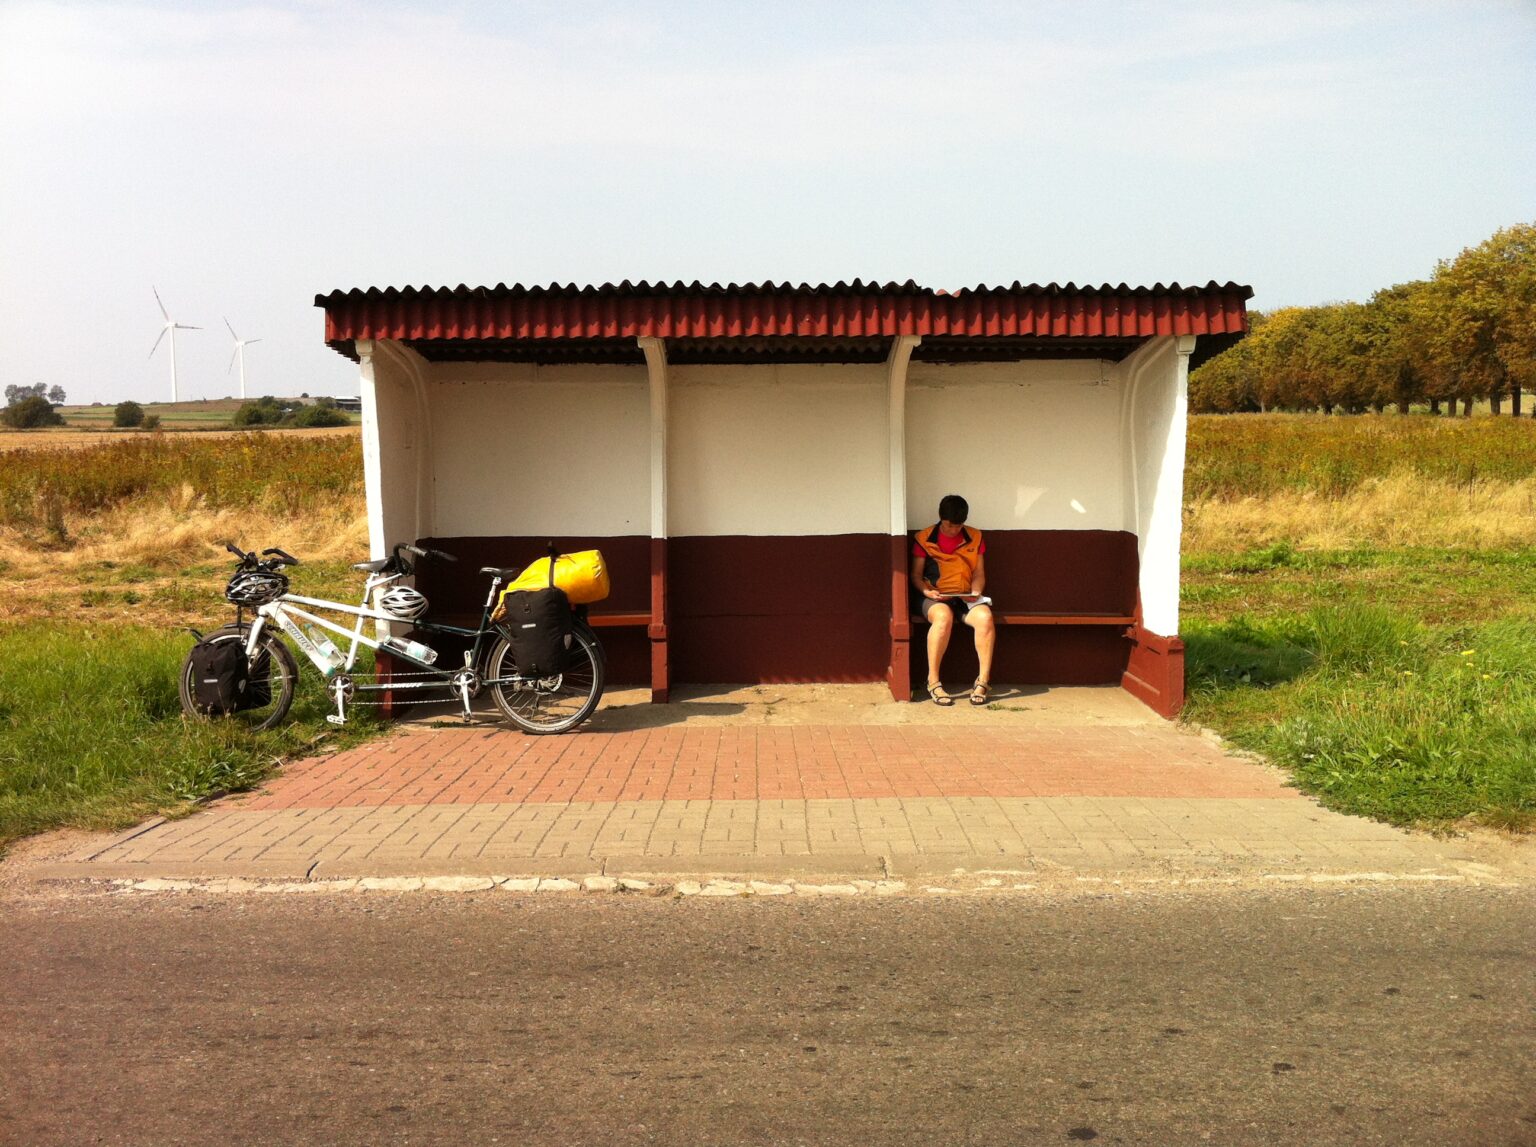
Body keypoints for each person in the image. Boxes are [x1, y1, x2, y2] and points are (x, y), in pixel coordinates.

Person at [911, 494, 995, 706]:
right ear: (941, 519)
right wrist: (927, 592)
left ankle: (983, 681)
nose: (953, 530)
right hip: (934, 595)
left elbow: (979, 572)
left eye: (958, 526)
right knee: (943, 616)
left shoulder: (975, 536)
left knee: (985, 617)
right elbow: (915, 575)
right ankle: (933, 681)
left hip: (964, 595)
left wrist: (976, 592)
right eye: (949, 526)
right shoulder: (924, 538)